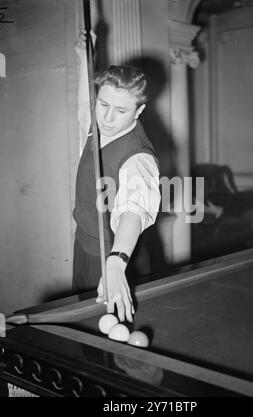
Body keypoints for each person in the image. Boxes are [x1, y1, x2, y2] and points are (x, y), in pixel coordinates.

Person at [73, 29, 160, 323]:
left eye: (121, 110)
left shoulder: (138, 157)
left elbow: (132, 213)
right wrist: (85, 55)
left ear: (139, 111)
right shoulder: (97, 122)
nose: (107, 118)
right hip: (85, 247)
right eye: (104, 104)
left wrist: (115, 263)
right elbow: (86, 106)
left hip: (117, 256)